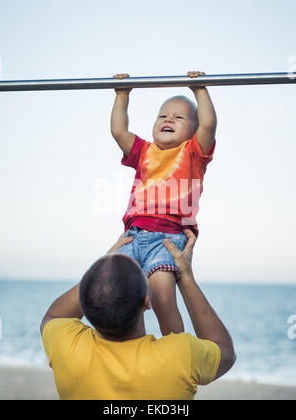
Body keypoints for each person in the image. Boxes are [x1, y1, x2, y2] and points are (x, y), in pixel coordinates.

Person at [41, 230, 236, 400]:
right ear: (147, 301)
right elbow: (225, 351)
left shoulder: (65, 346)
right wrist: (186, 278)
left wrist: (103, 268)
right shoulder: (181, 355)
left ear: (84, 303)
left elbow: (54, 315)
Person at [111, 71, 217, 335]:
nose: (169, 119)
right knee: (119, 293)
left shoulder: (193, 153)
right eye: (162, 115)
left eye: (179, 117)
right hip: (133, 237)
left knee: (162, 297)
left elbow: (208, 125)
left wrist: (199, 90)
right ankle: (128, 343)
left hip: (167, 239)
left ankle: (175, 348)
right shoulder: (144, 151)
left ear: (191, 132)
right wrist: (122, 95)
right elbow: (118, 130)